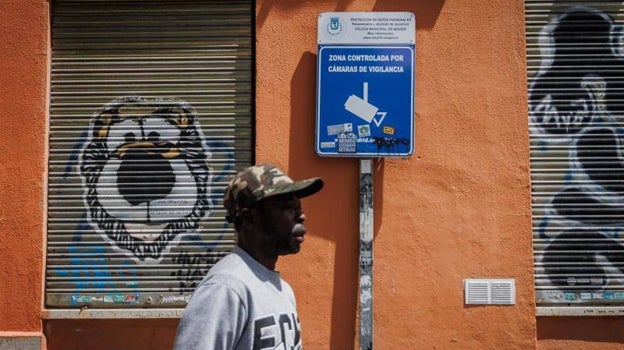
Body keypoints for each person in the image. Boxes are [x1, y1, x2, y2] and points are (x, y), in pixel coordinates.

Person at [173, 163, 324, 350]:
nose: (302, 215)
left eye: (298, 207)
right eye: (287, 207)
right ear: (250, 218)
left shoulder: (283, 290)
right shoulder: (226, 288)